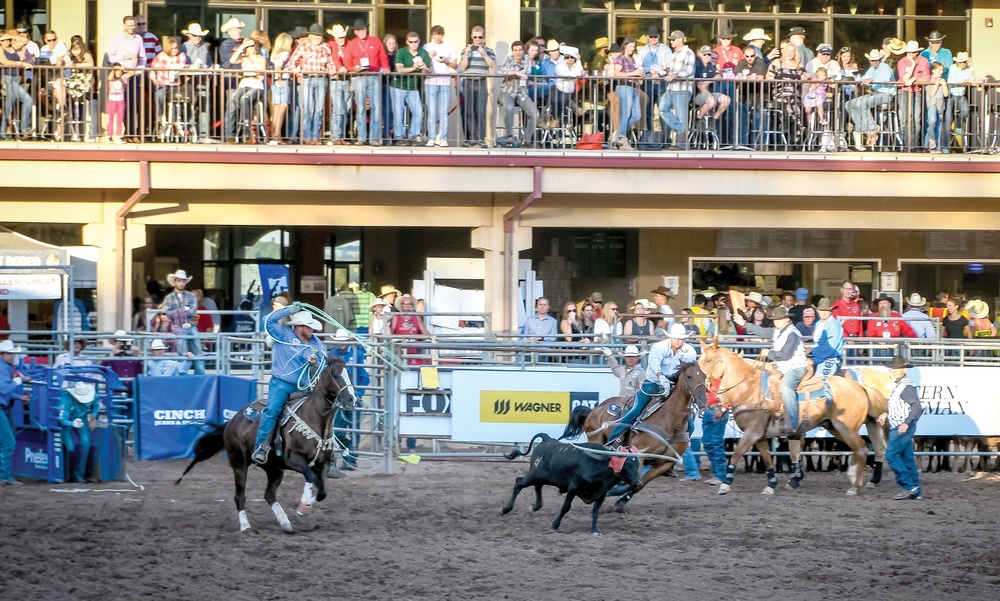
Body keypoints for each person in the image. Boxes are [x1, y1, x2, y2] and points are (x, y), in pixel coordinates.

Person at [252, 303, 325, 463]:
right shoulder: (283, 334)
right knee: (272, 410)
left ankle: (327, 453)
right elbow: (268, 321)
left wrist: (316, 363)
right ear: (299, 327)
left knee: (324, 411)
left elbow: (324, 363)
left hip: (306, 386)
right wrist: (290, 310)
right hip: (282, 383)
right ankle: (261, 446)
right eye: (309, 326)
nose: (312, 330)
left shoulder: (316, 343)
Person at [606, 322, 696, 445]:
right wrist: (661, 377)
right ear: (671, 337)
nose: (679, 341)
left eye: (681, 339)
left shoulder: (689, 351)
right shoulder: (659, 347)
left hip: (674, 388)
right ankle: (613, 439)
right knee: (635, 410)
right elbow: (654, 364)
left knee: (690, 424)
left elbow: (688, 369)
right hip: (653, 384)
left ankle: (679, 446)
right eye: (676, 338)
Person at [735, 305, 808, 431]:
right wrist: (744, 323)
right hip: (784, 367)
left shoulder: (792, 334)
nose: (776, 321)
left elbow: (786, 354)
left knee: (786, 386)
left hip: (795, 368)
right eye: (775, 319)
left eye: (779, 319)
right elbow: (762, 331)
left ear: (787, 319)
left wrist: (768, 353)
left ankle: (794, 422)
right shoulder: (779, 331)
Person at [877, 355, 923, 500]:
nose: (893, 371)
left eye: (896, 369)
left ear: (903, 369)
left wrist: (906, 423)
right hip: (902, 425)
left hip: (901, 427)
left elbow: (917, 407)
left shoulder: (906, 386)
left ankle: (908, 486)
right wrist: (886, 413)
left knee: (891, 455)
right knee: (907, 458)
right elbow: (899, 406)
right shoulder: (902, 385)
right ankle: (916, 491)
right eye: (892, 369)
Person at [328, 329, 369, 473]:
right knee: (338, 432)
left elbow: (365, 377)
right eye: (339, 340)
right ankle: (348, 455)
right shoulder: (332, 354)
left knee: (354, 431)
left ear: (348, 341)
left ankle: (351, 460)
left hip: (354, 399)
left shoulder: (358, 354)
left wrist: (358, 394)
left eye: (343, 340)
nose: (341, 343)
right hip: (339, 400)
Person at [346, 19, 390, 146]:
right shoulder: (352, 44)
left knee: (376, 107)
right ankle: (361, 137)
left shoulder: (375, 41)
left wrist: (386, 66)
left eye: (364, 29)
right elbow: (347, 60)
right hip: (359, 76)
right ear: (355, 32)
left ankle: (374, 138)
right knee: (360, 107)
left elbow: (382, 56)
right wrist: (353, 69)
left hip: (374, 75)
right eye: (359, 30)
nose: (362, 32)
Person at [287, 24, 333, 145]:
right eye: (315, 35)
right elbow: (291, 61)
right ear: (310, 36)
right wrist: (295, 69)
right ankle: (306, 136)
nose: (317, 38)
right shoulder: (303, 46)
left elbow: (330, 63)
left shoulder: (326, 47)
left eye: (319, 35)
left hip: (321, 79)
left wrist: (332, 69)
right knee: (307, 108)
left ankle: (315, 137)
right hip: (307, 78)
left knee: (319, 109)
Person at [846, 49, 895, 149]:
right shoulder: (872, 69)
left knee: (862, 103)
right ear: (869, 60)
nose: (874, 62)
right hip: (875, 94)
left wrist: (872, 79)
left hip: (886, 94)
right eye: (872, 60)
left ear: (880, 59)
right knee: (848, 104)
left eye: (876, 60)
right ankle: (865, 129)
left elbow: (886, 77)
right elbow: (864, 79)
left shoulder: (884, 66)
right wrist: (856, 76)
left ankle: (872, 130)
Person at [458, 26, 496, 147]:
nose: (477, 40)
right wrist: (466, 55)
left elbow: (493, 65)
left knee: (480, 111)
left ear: (483, 37)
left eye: (480, 37)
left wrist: (484, 54)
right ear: (471, 36)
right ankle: (471, 139)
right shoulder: (466, 50)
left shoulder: (489, 51)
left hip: (481, 82)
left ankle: (481, 138)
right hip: (469, 81)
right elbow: (463, 67)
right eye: (475, 37)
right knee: (469, 111)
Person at [163, 269, 205, 374]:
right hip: (179, 327)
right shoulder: (169, 298)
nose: (181, 283)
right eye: (179, 281)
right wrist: (184, 309)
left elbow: (192, 312)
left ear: (185, 282)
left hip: (190, 326)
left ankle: (200, 377)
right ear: (175, 282)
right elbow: (169, 313)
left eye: (183, 281)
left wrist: (178, 311)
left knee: (198, 353)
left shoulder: (191, 296)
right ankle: (183, 374)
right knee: (182, 354)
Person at [392, 31, 430, 146]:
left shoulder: (423, 53)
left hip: (413, 87)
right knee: (399, 112)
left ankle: (413, 136)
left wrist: (424, 68)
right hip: (398, 86)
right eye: (411, 42)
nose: (414, 44)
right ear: (407, 42)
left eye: (416, 42)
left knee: (418, 111)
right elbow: (399, 69)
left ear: (419, 41)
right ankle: (399, 137)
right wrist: (412, 68)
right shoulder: (401, 52)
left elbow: (429, 71)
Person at [659, 30, 696, 150]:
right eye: (670, 39)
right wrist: (667, 71)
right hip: (672, 87)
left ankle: (681, 144)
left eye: (673, 39)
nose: (671, 41)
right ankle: (681, 130)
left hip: (683, 88)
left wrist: (674, 75)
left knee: (681, 116)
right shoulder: (674, 54)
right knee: (662, 109)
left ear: (681, 40)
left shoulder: (689, 52)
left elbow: (689, 71)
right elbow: (674, 72)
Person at [57, 381, 100, 483]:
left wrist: (93, 417)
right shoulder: (66, 399)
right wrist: (71, 423)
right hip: (69, 420)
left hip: (81, 417)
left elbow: (96, 405)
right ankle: (67, 474)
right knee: (69, 447)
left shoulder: (93, 396)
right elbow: (61, 419)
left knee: (85, 444)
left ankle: (78, 474)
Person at [496, 40, 536, 148]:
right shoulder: (508, 59)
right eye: (515, 50)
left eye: (520, 50)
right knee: (508, 108)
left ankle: (527, 140)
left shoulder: (527, 58)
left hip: (521, 93)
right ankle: (509, 136)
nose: (518, 52)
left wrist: (512, 72)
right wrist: (514, 73)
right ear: (512, 51)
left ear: (523, 50)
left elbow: (527, 72)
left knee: (535, 114)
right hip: (507, 91)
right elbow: (500, 70)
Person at [0, 339, 29, 485]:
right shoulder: (3, 368)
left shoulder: (5, 367)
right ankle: (4, 476)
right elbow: (3, 390)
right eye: (10, 354)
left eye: (13, 354)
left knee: (6, 440)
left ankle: (5, 475)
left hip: (4, 406)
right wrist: (18, 382)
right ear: (2, 354)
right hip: (2, 407)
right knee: (8, 441)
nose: (12, 356)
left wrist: (18, 396)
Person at [422, 25, 457, 147]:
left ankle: (443, 138)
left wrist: (446, 61)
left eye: (440, 34)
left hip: (445, 82)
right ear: (432, 35)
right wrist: (429, 56)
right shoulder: (426, 47)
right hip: (430, 82)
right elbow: (421, 64)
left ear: (443, 35)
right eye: (436, 34)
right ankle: (431, 137)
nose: (438, 37)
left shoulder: (449, 47)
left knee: (443, 111)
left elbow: (455, 65)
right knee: (431, 111)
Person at [180, 23, 213, 142]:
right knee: (191, 106)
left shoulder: (205, 47)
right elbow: (181, 64)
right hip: (190, 80)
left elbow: (209, 63)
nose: (198, 37)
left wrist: (209, 70)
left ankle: (204, 133)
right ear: (189, 35)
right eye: (195, 35)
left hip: (203, 80)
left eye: (200, 35)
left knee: (204, 106)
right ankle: (191, 132)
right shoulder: (184, 47)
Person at [896, 40, 930, 152]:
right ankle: (906, 145)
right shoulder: (902, 62)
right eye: (909, 52)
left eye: (913, 52)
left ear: (917, 52)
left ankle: (914, 145)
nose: (910, 54)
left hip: (917, 91)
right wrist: (913, 65)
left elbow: (927, 78)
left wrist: (915, 79)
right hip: (904, 91)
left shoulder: (924, 61)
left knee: (916, 118)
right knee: (905, 118)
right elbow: (905, 79)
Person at [0, 30, 35, 140]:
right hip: (8, 79)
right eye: (3, 40)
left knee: (9, 106)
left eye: (8, 39)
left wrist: (11, 35)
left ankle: (4, 132)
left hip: (16, 79)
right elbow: (6, 62)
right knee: (25, 100)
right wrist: (22, 63)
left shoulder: (13, 47)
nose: (6, 41)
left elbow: (25, 40)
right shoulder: (0, 49)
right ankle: (23, 129)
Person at [811, 298, 843, 399]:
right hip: (820, 357)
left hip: (830, 358)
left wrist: (815, 357)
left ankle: (826, 405)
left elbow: (831, 347)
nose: (823, 313)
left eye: (826, 311)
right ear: (818, 311)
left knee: (821, 383)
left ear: (830, 311)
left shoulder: (834, 325)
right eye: (821, 310)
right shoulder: (818, 324)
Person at [390, 294, 430, 365]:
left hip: (414, 349)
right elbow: (390, 332)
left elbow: (424, 331)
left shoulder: (416, 317)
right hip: (400, 350)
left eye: (410, 304)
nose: (407, 305)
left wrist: (433, 338)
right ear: (401, 305)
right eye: (405, 303)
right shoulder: (396, 317)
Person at [925, 61, 949, 153]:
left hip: (940, 105)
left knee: (938, 126)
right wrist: (936, 83)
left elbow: (946, 94)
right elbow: (931, 93)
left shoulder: (943, 80)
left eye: (942, 70)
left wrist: (943, 85)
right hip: (932, 104)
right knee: (932, 121)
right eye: (939, 70)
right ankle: (931, 139)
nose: (941, 72)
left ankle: (937, 147)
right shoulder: (929, 80)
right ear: (933, 70)